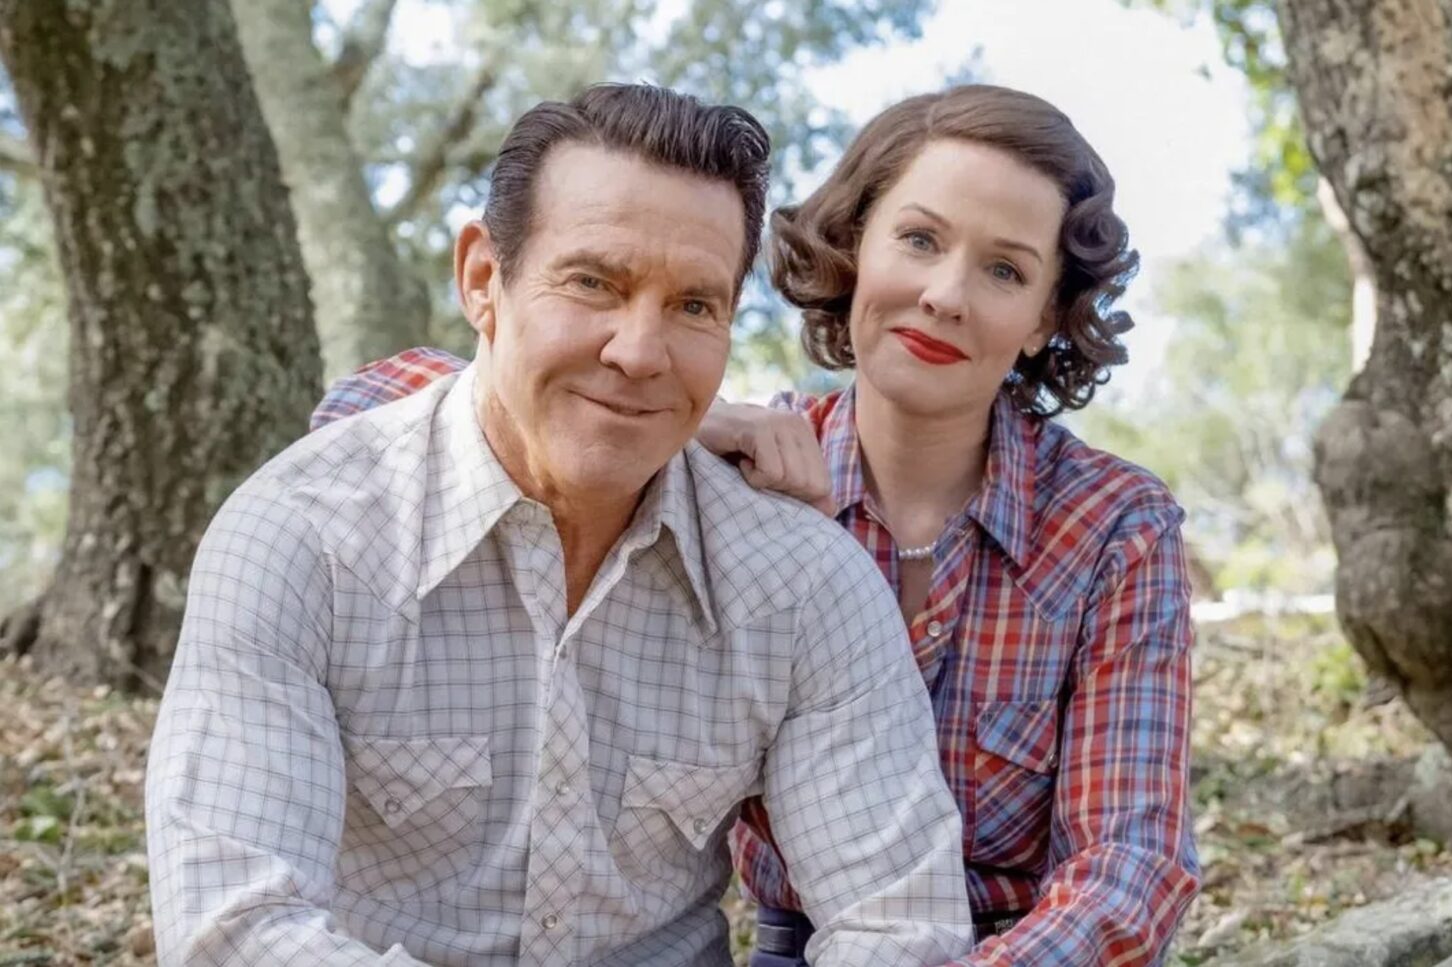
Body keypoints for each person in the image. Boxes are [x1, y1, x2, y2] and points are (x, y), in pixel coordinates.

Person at [316, 84, 1202, 965]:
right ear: (855, 246)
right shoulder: (736, 474)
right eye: (920, 240)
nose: (945, 294)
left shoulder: (1112, 528)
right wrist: (666, 417)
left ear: (1045, 315)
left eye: (1005, 270)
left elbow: (1131, 866)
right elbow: (360, 409)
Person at [145, 83, 973, 967]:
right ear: (482, 279)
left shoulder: (802, 587)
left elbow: (900, 927)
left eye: (694, 305)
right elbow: (236, 927)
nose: (639, 352)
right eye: (592, 283)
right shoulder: (301, 542)